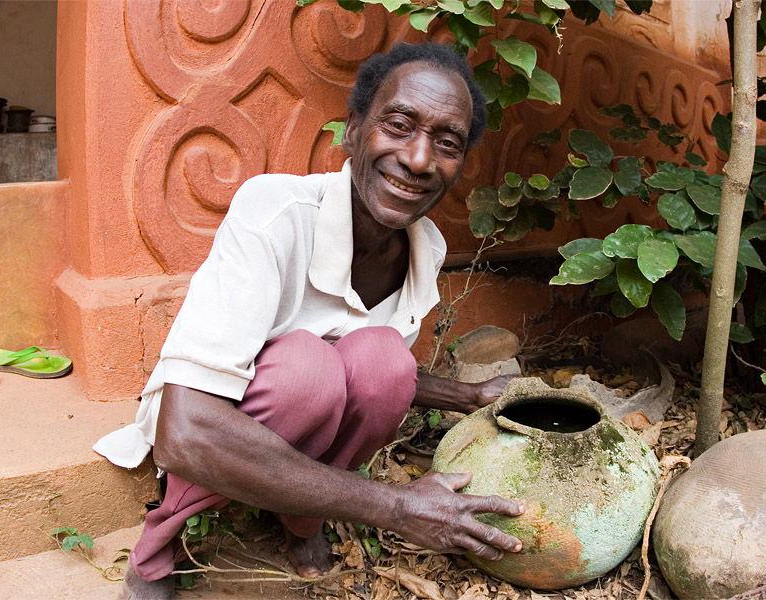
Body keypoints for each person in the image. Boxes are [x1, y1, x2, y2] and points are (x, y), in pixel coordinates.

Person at [94, 41, 525, 600]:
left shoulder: (427, 247)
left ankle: (301, 518)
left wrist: (468, 397)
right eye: (398, 126)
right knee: (306, 369)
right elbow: (186, 431)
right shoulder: (272, 212)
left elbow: (366, 370)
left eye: (446, 143)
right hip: (222, 410)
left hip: (303, 405)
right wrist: (398, 506)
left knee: (386, 362)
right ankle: (162, 542)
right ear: (351, 131)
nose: (419, 160)